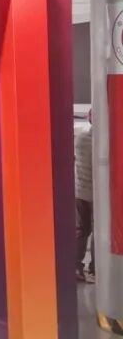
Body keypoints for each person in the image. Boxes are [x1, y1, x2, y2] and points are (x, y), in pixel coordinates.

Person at [76, 112, 95, 283]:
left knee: (81, 230)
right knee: (98, 231)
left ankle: (76, 267)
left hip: (79, 191)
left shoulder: (80, 138)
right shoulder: (105, 141)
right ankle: (95, 269)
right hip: (98, 194)